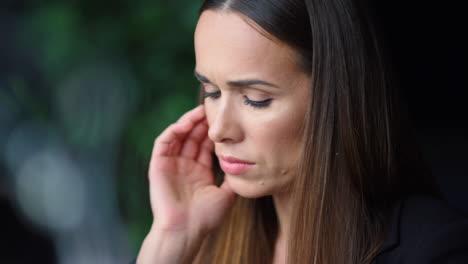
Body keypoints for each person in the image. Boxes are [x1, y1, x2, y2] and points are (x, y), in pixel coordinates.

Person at [134, 0, 468, 263]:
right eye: (212, 92)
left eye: (255, 99)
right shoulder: (204, 241)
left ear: (336, 97)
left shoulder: (433, 249)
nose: (218, 130)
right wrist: (171, 236)